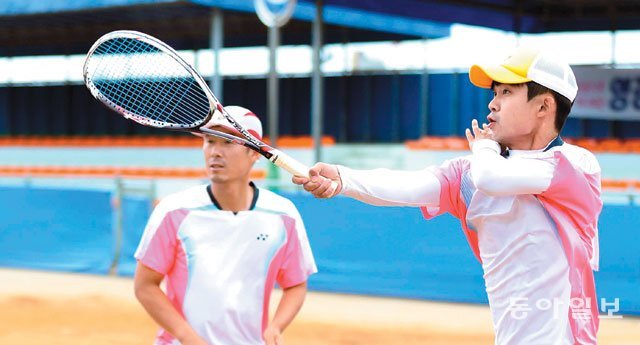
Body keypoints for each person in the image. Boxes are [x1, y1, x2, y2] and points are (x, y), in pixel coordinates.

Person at [293, 46, 602, 344]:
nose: (492, 104)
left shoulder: (576, 165)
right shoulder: (470, 173)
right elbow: (407, 186)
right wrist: (344, 178)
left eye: (506, 92)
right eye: (494, 94)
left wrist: (483, 147)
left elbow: (492, 177)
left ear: (544, 107)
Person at [134, 105, 317, 345]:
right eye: (210, 141)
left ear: (254, 153)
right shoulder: (173, 211)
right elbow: (145, 285)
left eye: (228, 143)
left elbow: (295, 285)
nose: (215, 152)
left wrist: (276, 327)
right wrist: (188, 337)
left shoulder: (284, 215)